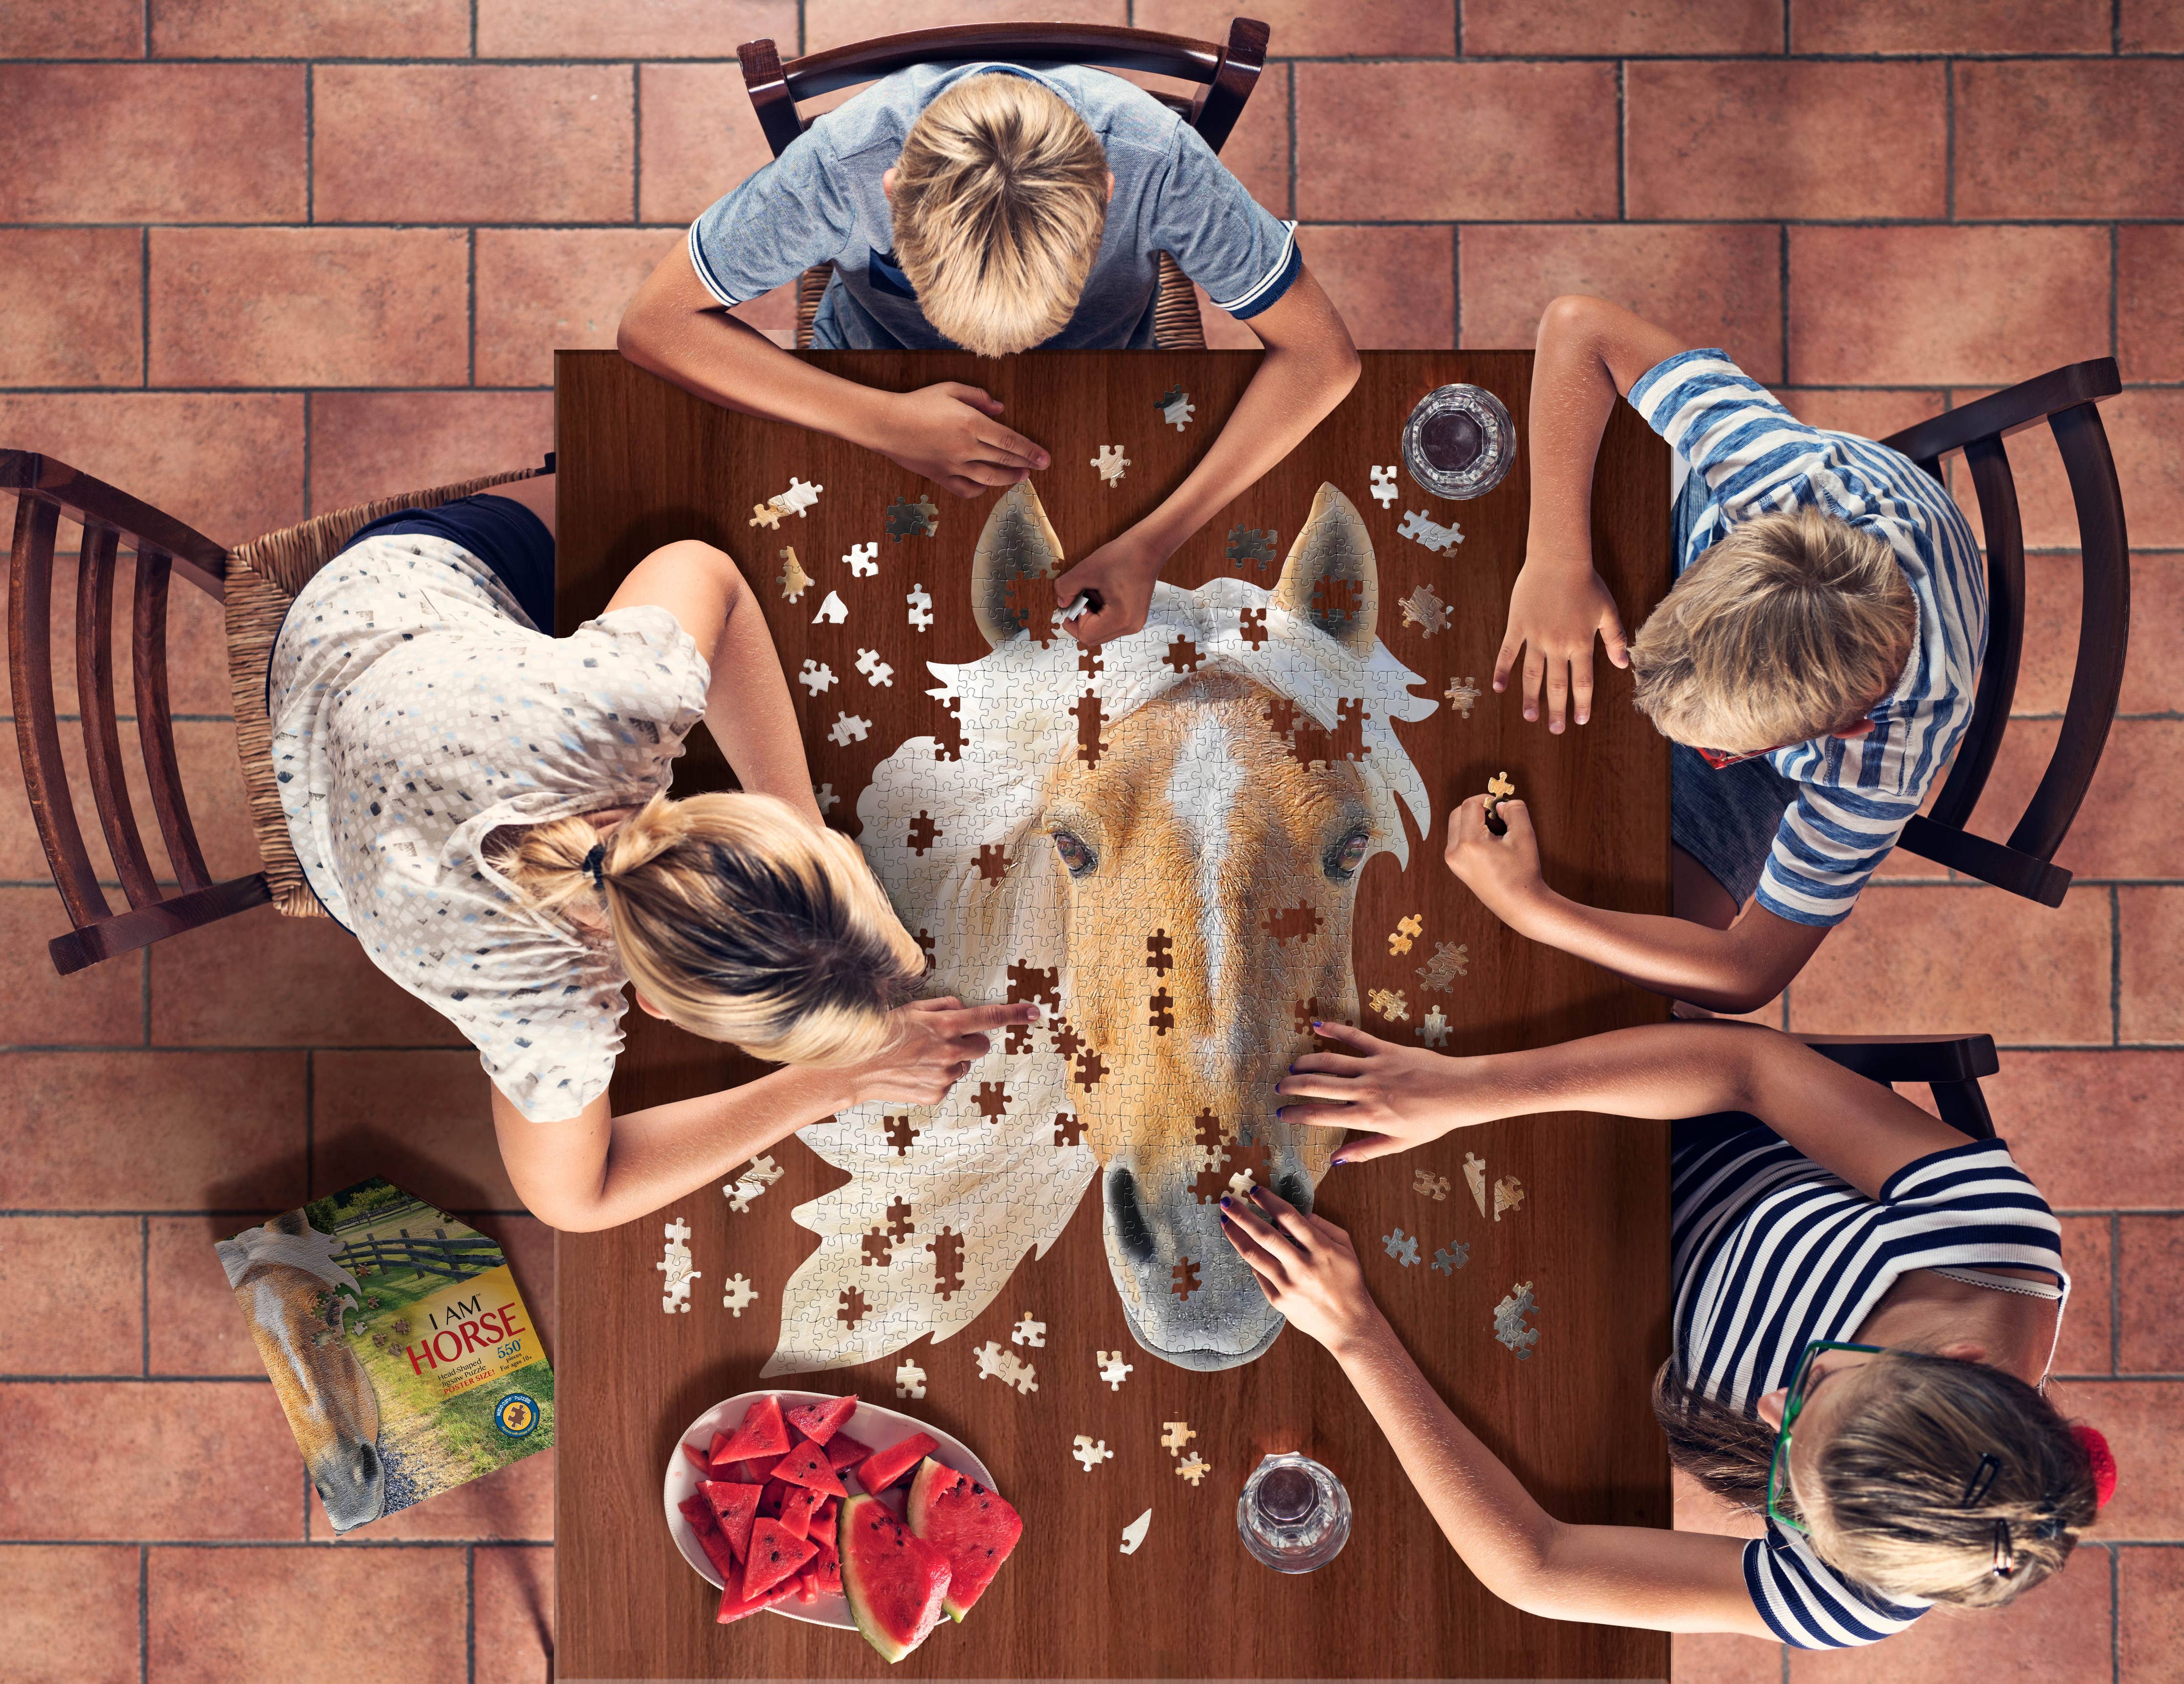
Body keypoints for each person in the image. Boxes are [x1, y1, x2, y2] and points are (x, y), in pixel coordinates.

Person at [265, 475, 1030, 1231]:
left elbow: (705, 571)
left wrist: (801, 822)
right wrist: (831, 1087)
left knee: (609, 497)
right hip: (346, 758)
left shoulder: (620, 705)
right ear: (656, 1004)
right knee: (611, 492)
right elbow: (573, 1202)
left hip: (370, 617)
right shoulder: (540, 1010)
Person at [1219, 1017, 2111, 1649]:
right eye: (1815, 1391)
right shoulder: (1992, 1240)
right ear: (1960, 1361)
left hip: (1594, 1315)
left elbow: (1540, 1567)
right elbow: (1748, 1070)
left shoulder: (1857, 1593)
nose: (1769, 1409)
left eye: (1786, 1482)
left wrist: (1356, 1334)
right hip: (1638, 1128)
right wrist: (1468, 1089)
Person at [616, 64, 1360, 644]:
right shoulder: (838, 163)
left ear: (1107, 190)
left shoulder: (1157, 160)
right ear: (890, 191)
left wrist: (1155, 542)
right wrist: (879, 420)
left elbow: (1324, 358)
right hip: (875, 392)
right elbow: (653, 322)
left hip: (1107, 388)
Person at [1454, 295, 1985, 1013]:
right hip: (1745, 581)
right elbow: (1579, 325)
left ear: (1843, 731)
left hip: (1793, 707)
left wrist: (1534, 909)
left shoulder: (1879, 764)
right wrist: (1556, 559)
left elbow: (1748, 973)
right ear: (1739, 544)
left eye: (1722, 751)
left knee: (1609, 963)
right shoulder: (1776, 481)